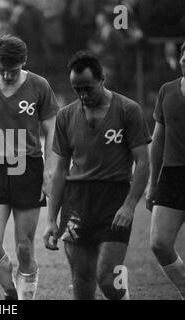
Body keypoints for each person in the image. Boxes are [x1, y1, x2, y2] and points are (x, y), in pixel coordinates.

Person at [43, 51, 151, 300]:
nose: (82, 95)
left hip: (113, 199)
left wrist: (129, 205)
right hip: (77, 200)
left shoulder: (128, 110)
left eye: (88, 89)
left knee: (107, 277)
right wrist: (51, 219)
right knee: (81, 280)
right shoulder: (65, 116)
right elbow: (59, 171)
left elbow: (143, 162)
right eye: (76, 89)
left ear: (103, 79)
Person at [0, 35, 59, 300]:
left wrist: (49, 171)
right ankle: (11, 292)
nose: (6, 74)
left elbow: (51, 130)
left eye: (12, 70)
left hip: (28, 168)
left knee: (25, 248)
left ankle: (23, 299)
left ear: (23, 62)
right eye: (1, 68)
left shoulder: (39, 85)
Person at [147, 41, 185, 299]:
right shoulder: (167, 90)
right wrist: (152, 182)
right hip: (173, 175)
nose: (183, 60)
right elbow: (157, 141)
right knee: (159, 243)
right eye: (183, 55)